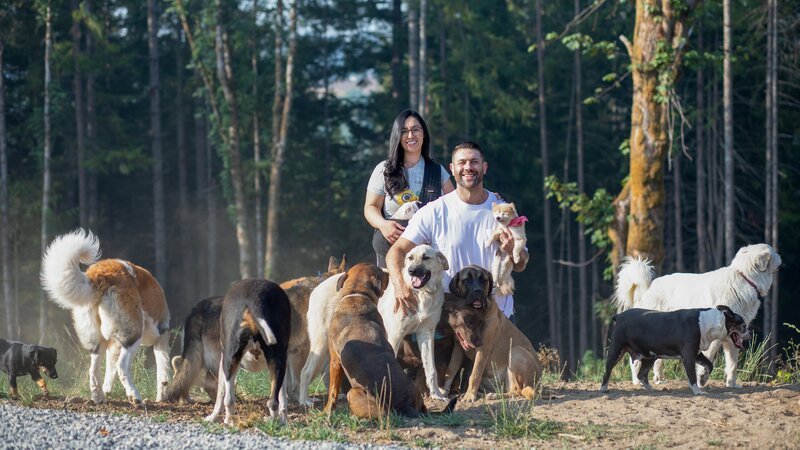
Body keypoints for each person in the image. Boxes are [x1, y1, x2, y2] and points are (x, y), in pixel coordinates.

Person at [386, 141, 528, 322]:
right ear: (452, 169)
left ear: (484, 167)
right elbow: (396, 252)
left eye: (474, 162)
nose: (468, 167)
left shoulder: (502, 211)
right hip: (450, 319)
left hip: (498, 317)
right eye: (462, 163)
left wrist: (511, 250)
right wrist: (400, 287)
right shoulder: (434, 211)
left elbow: (521, 264)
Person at [364, 110, 454, 267]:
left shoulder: (437, 171)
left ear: (424, 134)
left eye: (415, 130)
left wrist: (482, 195)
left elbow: (456, 206)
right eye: (404, 131)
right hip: (390, 250)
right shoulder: (383, 170)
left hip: (428, 255)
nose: (410, 136)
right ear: (397, 136)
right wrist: (383, 225)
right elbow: (370, 207)